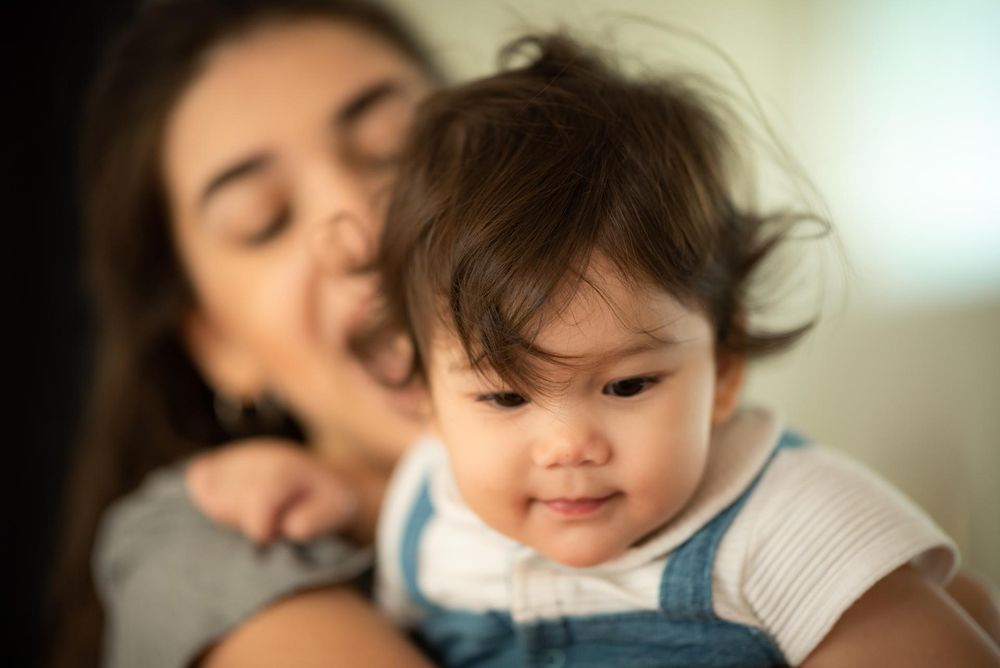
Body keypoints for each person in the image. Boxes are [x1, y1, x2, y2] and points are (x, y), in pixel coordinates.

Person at [192, 34, 1000, 666]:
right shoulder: (429, 510)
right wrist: (313, 488)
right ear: (426, 394)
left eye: (627, 386)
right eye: (506, 396)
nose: (567, 446)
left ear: (723, 371)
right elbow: (390, 502)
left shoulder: (792, 528)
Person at [46, 1, 441, 667]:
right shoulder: (219, 540)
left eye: (393, 147)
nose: (364, 233)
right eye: (263, 219)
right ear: (217, 344)